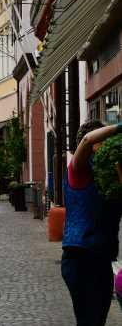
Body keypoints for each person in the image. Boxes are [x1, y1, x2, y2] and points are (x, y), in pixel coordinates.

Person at [61, 120, 122, 326]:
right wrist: (119, 127)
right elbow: (88, 139)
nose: (107, 146)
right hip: (80, 257)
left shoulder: (108, 175)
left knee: (97, 320)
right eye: (103, 141)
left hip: (102, 256)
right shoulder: (78, 170)